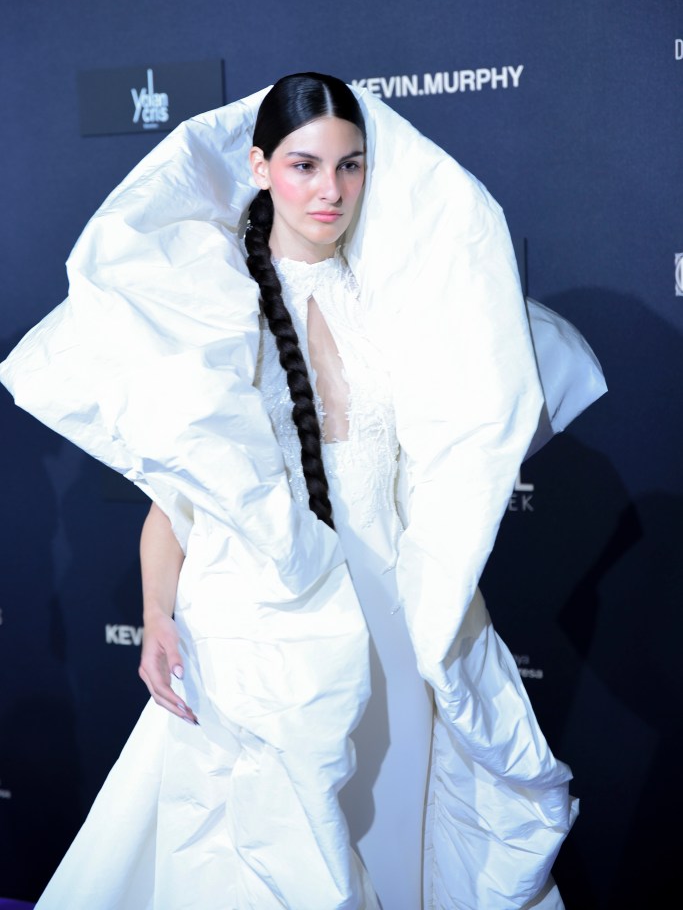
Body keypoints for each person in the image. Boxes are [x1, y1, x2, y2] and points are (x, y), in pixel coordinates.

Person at [0, 72, 604, 909]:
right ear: (259, 168)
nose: (330, 190)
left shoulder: (400, 305)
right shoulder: (215, 309)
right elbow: (179, 497)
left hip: (399, 612)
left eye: (349, 165)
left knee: (394, 827)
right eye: (304, 165)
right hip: (261, 624)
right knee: (272, 848)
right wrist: (157, 616)